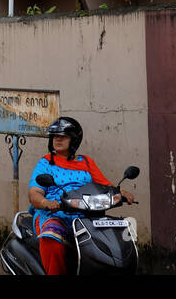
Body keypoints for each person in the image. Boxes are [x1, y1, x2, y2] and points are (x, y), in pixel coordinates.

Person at [27, 116, 135, 275]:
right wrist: (46, 202)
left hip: (87, 215)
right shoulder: (45, 163)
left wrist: (120, 193)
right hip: (56, 214)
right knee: (51, 238)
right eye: (55, 136)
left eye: (63, 136)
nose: (58, 139)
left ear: (74, 140)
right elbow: (34, 193)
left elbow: (104, 185)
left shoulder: (86, 162)